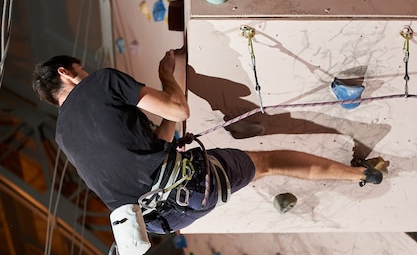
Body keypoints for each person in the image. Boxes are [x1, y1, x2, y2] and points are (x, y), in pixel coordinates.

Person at [32, 49, 388, 234]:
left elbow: (156, 142)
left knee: (251, 174)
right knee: (271, 162)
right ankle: (362, 175)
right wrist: (167, 77)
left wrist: (170, 143)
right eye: (82, 67)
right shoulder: (101, 83)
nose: (88, 71)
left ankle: (246, 170)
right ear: (66, 72)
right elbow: (177, 107)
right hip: (191, 184)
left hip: (160, 221)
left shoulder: (63, 135)